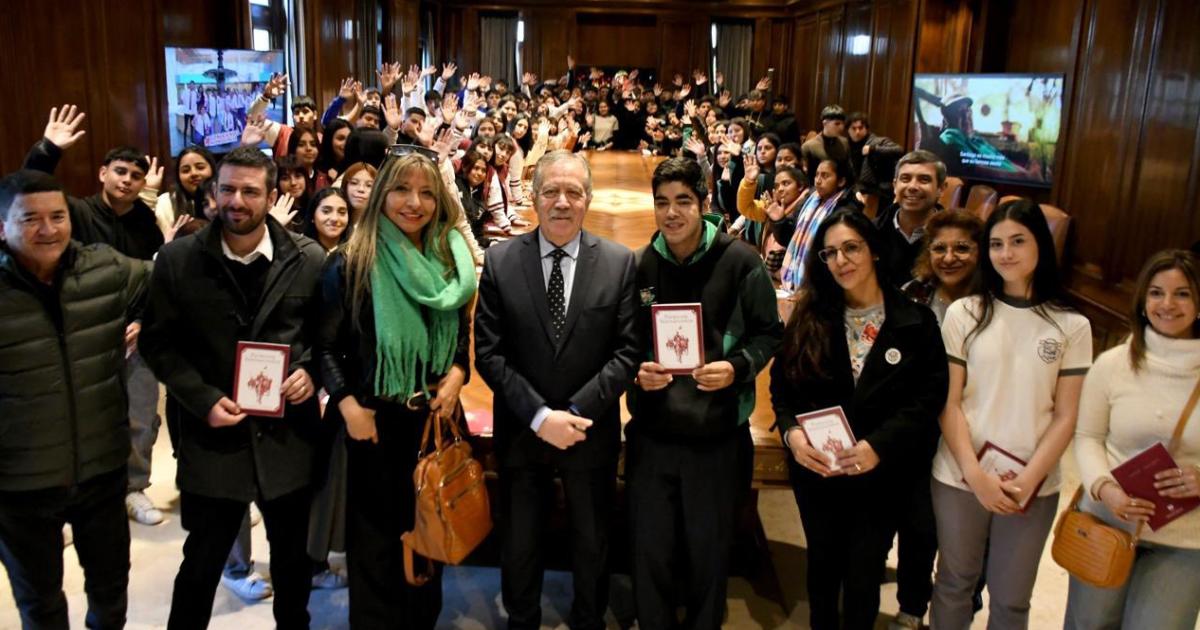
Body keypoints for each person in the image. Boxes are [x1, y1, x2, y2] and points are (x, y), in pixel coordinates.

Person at [139, 146, 326, 630]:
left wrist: (311, 371)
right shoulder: (179, 260)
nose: (236, 200)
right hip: (212, 435)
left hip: (288, 436)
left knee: (292, 564)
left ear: (271, 195)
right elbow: (159, 345)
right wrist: (202, 400)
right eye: (227, 189)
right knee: (200, 565)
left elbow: (329, 339)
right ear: (212, 194)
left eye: (249, 191)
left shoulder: (308, 258)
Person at [474, 150, 639, 630]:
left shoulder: (618, 262)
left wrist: (575, 412)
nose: (561, 202)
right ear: (535, 196)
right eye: (551, 191)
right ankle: (521, 620)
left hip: (591, 432)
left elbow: (627, 353)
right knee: (520, 543)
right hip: (523, 432)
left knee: (593, 542)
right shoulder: (502, 260)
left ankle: (589, 619)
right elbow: (489, 352)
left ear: (588, 199)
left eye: (573, 192)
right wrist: (542, 417)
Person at [316, 153, 477, 627]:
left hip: (434, 419)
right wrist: (349, 408)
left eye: (427, 192)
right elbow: (325, 347)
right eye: (402, 190)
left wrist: (457, 374)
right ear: (382, 192)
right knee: (376, 543)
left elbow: (458, 340)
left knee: (430, 532)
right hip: (375, 422)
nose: (415, 203)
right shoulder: (350, 262)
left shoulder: (446, 258)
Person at [771, 208, 947, 630]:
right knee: (822, 567)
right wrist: (793, 435)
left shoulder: (915, 320)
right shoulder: (810, 316)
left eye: (851, 248)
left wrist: (877, 447)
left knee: (864, 573)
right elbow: (783, 390)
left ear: (875, 252)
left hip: (881, 474)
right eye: (830, 253)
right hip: (820, 473)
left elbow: (927, 400)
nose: (841, 261)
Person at [628, 157, 782, 629]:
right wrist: (637, 370)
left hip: (716, 434)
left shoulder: (740, 261)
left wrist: (736, 369)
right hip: (653, 431)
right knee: (648, 551)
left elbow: (769, 333)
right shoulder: (641, 263)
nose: (671, 213)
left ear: (704, 203)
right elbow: (628, 341)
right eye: (662, 203)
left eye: (683, 202)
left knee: (708, 553)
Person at [929, 199, 1092, 629]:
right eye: (997, 244)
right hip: (960, 475)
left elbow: (1066, 415)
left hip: (1032, 484)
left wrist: (1028, 479)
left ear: (1042, 244)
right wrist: (975, 473)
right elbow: (948, 402)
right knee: (953, 583)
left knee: (1011, 599)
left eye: (1018, 241)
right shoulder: (966, 313)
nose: (1006, 253)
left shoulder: (1071, 325)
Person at [0, 169, 150, 630]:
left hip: (102, 472)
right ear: (2, 225)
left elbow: (168, 281)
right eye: (30, 219)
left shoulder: (103, 268)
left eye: (58, 216)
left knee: (111, 596)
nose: (48, 230)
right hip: (19, 484)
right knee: (40, 605)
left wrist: (141, 320)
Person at [23, 105, 168, 527]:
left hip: (135, 334)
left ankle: (134, 487)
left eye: (135, 176)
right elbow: (29, 189)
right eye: (120, 171)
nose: (126, 180)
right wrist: (48, 149)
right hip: (81, 332)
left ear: (143, 184)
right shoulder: (77, 213)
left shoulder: (147, 224)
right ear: (103, 173)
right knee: (75, 418)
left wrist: (141, 322)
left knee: (141, 411)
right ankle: (69, 499)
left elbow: (152, 280)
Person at [1065, 250, 1200, 630]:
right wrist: (1106, 490)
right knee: (1090, 623)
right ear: (1142, 300)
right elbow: (1088, 437)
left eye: (1183, 294)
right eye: (1156, 293)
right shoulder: (1114, 364)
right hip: (1110, 521)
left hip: (1186, 538)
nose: (1167, 304)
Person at [778, 158, 861, 292]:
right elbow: (789, 238)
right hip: (800, 282)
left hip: (826, 285)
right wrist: (778, 221)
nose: (818, 180)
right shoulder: (810, 200)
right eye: (817, 175)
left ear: (841, 181)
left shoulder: (847, 209)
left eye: (825, 175)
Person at [873, 150, 948, 288]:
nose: (912, 187)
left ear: (941, 189)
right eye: (905, 179)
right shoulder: (869, 233)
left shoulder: (953, 240)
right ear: (895, 186)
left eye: (924, 179)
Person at [902, 210, 985, 324]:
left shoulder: (996, 300)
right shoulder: (912, 291)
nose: (948, 259)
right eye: (939, 249)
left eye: (961, 248)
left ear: (981, 252)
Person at [847, 113, 903, 206]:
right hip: (862, 192)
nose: (857, 132)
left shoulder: (878, 141)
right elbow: (853, 175)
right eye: (853, 128)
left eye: (861, 128)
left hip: (882, 193)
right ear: (848, 130)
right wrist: (857, 190)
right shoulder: (848, 147)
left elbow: (898, 150)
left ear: (866, 129)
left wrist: (873, 149)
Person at [801, 105, 850, 185]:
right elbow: (805, 176)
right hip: (817, 189)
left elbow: (849, 171)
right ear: (825, 123)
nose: (841, 127)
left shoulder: (845, 143)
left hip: (840, 189)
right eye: (837, 124)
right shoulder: (809, 146)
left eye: (842, 124)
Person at [302, 187, 351, 252]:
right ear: (312, 216)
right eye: (326, 211)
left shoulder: (357, 250)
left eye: (342, 212)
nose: (334, 218)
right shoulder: (301, 250)